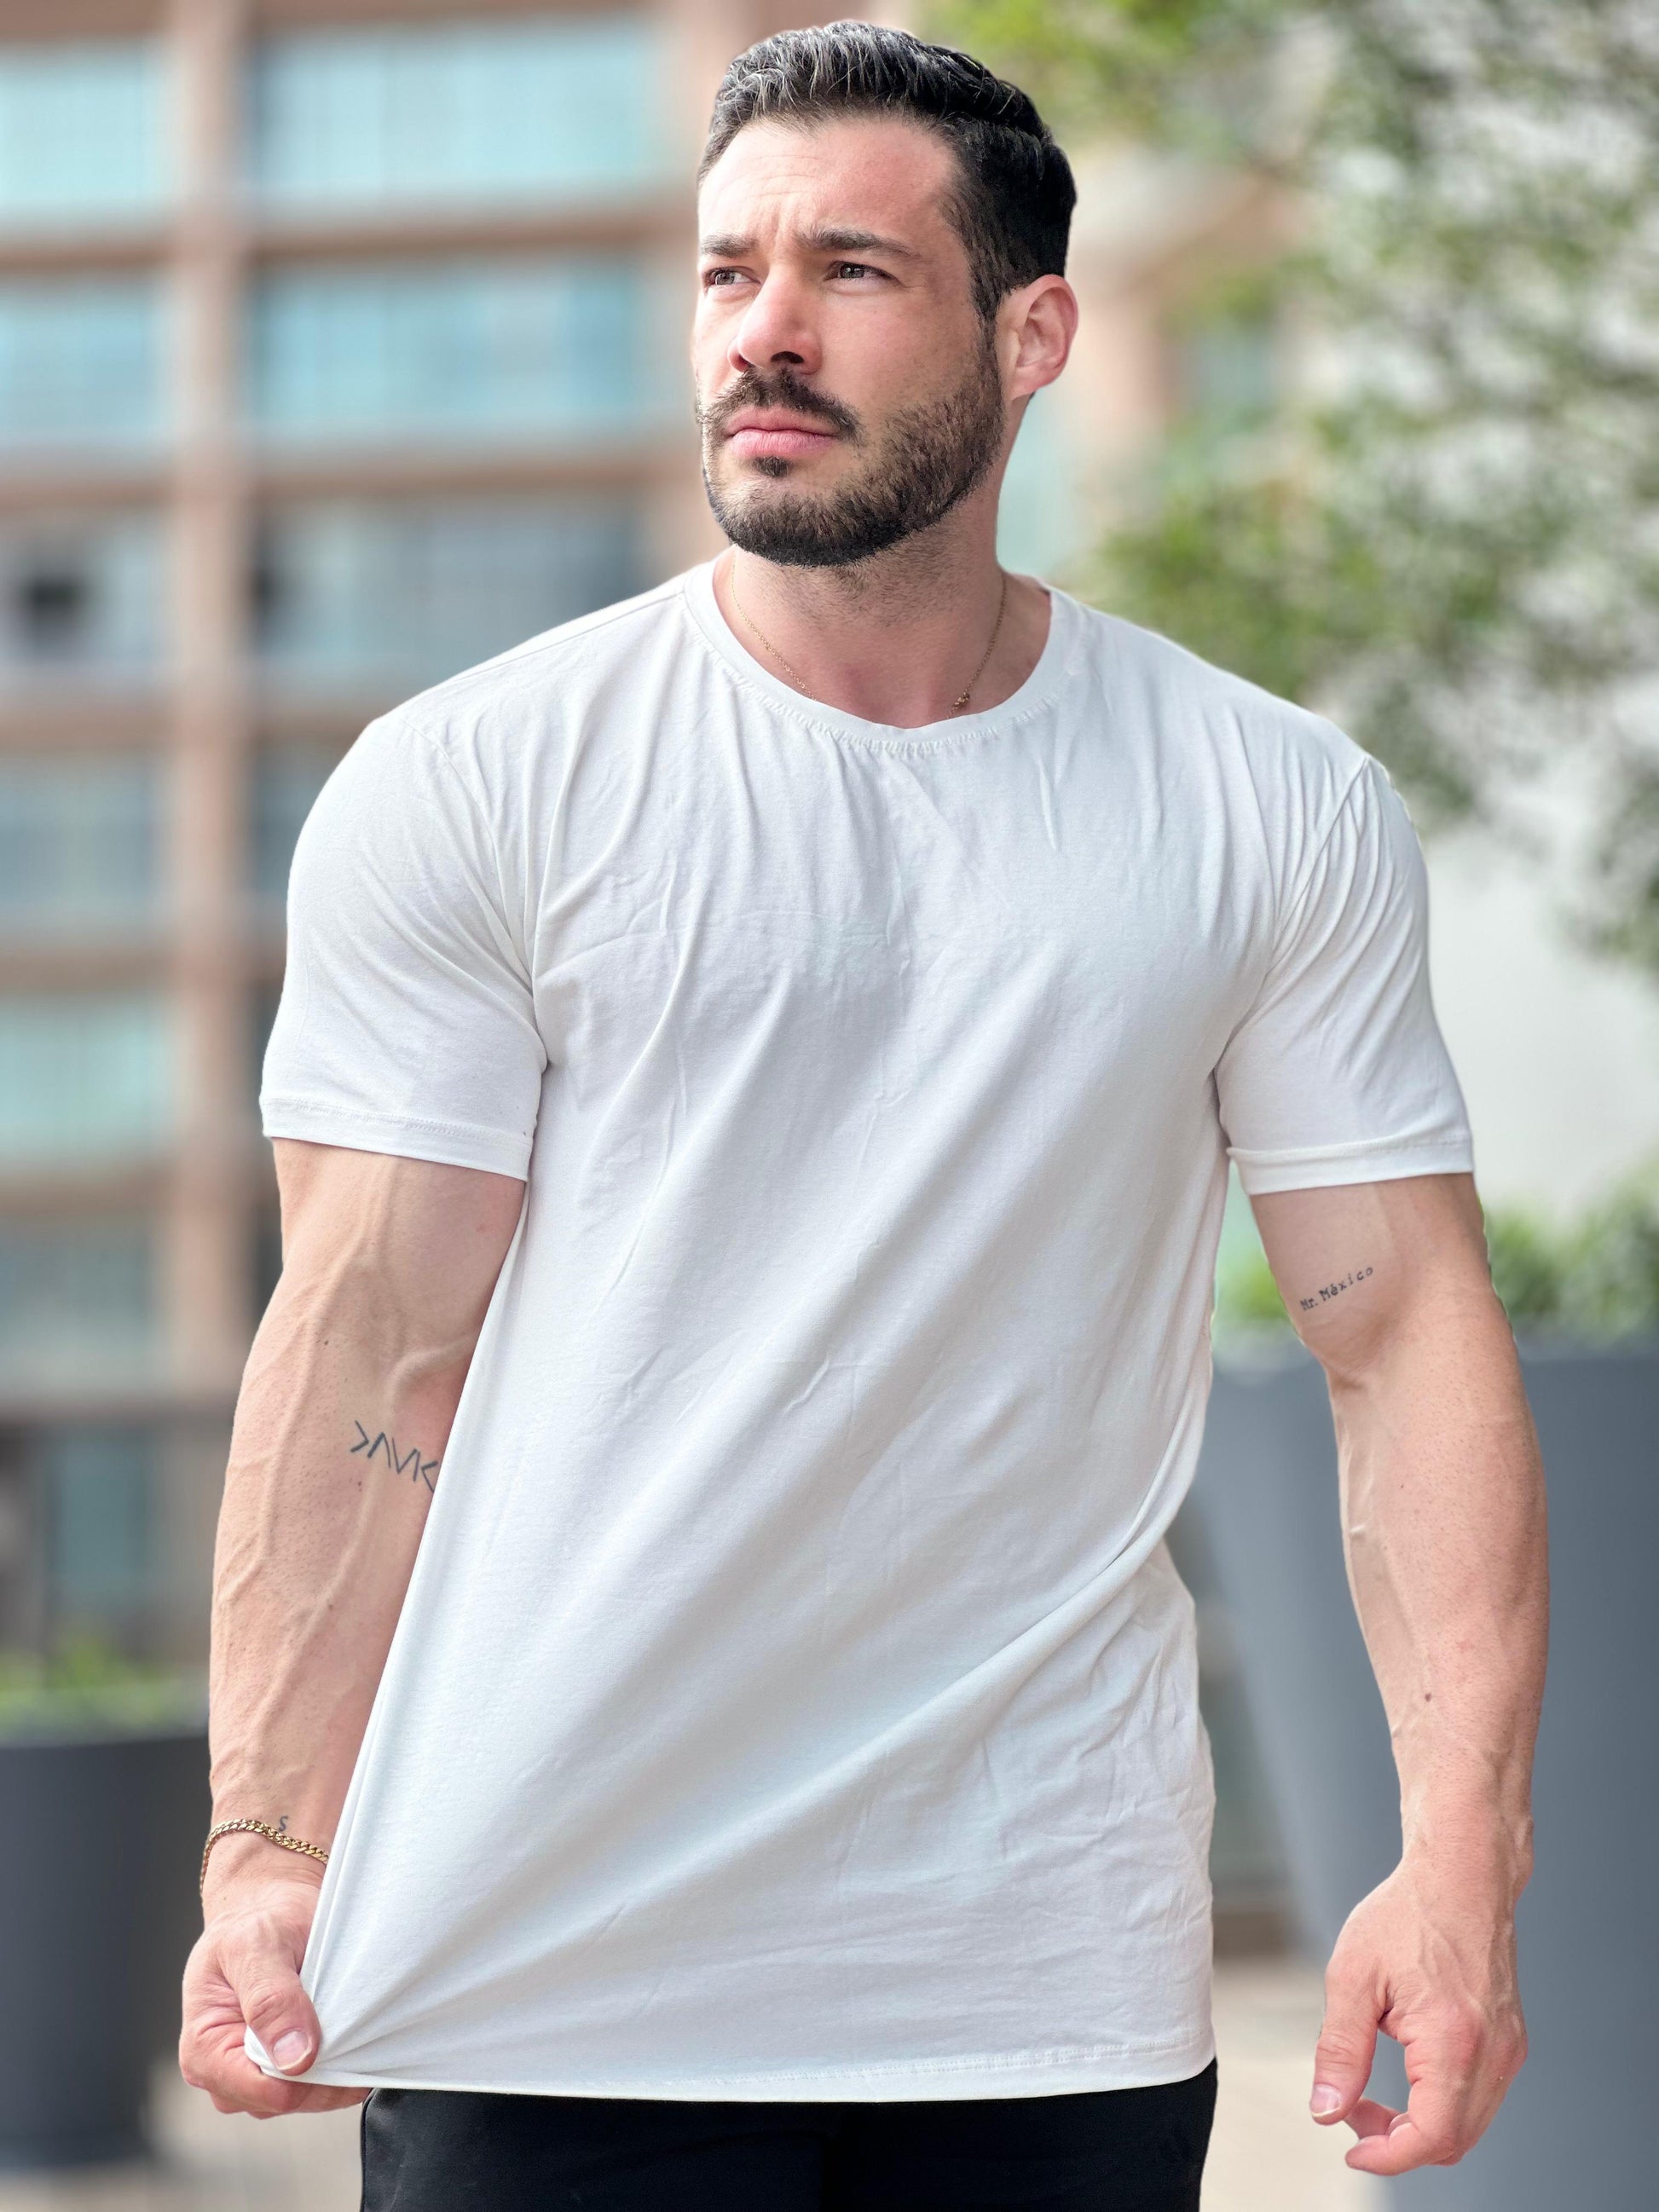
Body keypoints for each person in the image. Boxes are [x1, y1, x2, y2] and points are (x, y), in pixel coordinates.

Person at [179, 23, 1547, 2210]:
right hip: (539, 1967)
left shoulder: (1265, 802)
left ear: (1033, 336)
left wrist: (1457, 1854)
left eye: (851, 270)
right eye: (727, 273)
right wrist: (264, 1842)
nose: (766, 333)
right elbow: (367, 1342)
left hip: (1044, 1979)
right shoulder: (480, 781)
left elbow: (1401, 1333)